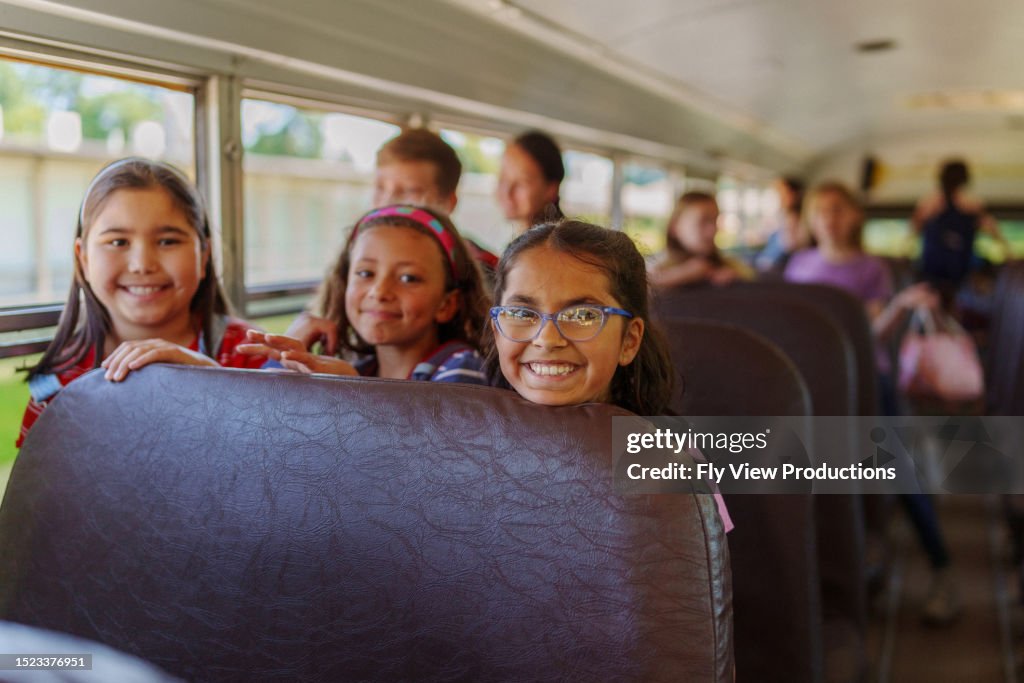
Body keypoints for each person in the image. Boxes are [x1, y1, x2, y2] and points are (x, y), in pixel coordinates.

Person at [481, 219, 732, 531]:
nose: (547, 339)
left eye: (583, 315)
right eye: (521, 313)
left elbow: (698, 575)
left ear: (629, 340)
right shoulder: (466, 443)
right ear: (497, 330)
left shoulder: (668, 461)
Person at [784, 181, 961, 624]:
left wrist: (898, 307)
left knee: (900, 471)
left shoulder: (871, 270)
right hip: (811, 384)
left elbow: (871, 337)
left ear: (855, 216)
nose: (830, 218)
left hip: (868, 382)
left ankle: (942, 570)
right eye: (821, 210)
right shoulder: (797, 264)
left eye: (840, 209)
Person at [17, 157, 265, 447]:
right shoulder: (59, 388)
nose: (142, 265)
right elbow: (40, 489)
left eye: (167, 241)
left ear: (204, 256)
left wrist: (214, 383)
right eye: (118, 242)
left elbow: (290, 467)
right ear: (82, 258)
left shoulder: (253, 356)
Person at [240, 205, 489, 384]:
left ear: (446, 304)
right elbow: (258, 423)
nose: (380, 291)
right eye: (365, 273)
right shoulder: (359, 367)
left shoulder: (459, 365)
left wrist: (357, 393)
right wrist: (284, 356)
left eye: (408, 278)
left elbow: (436, 450)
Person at [374, 127, 498, 272]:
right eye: (380, 188)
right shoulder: (364, 258)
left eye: (410, 190)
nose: (387, 203)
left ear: (448, 203)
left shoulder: (479, 272)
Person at [913, 159, 1010, 302]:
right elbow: (992, 229)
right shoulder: (972, 204)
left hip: (932, 268)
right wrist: (1007, 252)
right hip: (961, 268)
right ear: (965, 179)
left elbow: (914, 231)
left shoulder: (929, 203)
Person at [647, 191, 753, 289]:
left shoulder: (731, 266)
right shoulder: (655, 267)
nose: (713, 230)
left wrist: (736, 281)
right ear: (675, 226)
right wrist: (684, 274)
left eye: (715, 220)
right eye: (703, 221)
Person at [496, 130, 565, 234]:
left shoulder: (553, 246)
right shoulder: (523, 240)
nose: (507, 192)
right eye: (503, 178)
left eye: (522, 182)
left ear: (551, 189)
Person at [754, 176, 807, 274]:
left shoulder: (796, 219)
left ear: (793, 194)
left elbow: (788, 247)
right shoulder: (785, 217)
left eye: (782, 192)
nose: (779, 197)